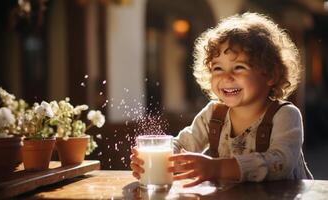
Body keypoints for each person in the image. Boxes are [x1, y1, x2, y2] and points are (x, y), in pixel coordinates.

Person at [130, 12, 312, 187]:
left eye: (239, 67)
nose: (226, 77)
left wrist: (216, 168)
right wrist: (157, 160)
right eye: (217, 69)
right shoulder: (214, 114)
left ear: (271, 75)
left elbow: (280, 163)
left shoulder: (285, 115)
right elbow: (183, 144)